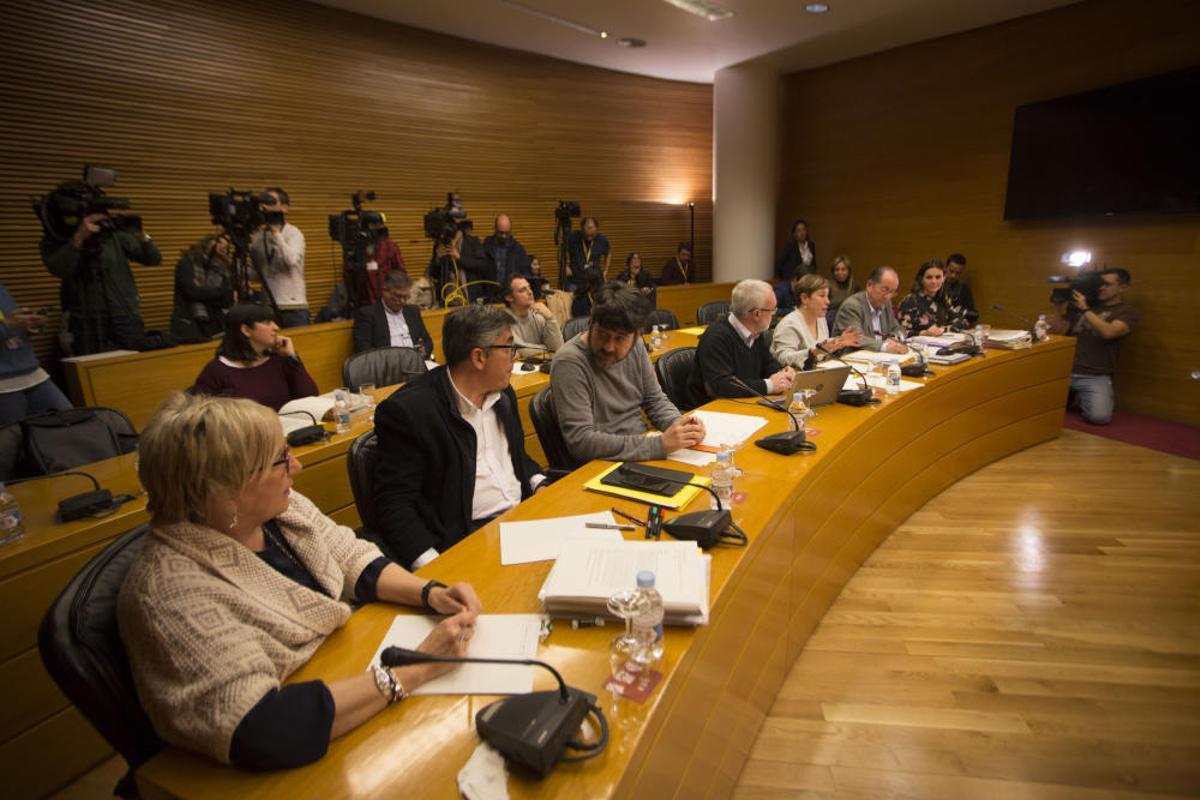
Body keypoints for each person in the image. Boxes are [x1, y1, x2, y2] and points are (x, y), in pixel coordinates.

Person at [117, 392, 481, 769]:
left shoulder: (280, 511)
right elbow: (260, 727)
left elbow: (352, 559)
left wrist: (430, 593)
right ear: (222, 489)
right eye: (280, 460)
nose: (297, 465)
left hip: (343, 679)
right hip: (292, 749)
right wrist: (419, 668)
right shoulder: (169, 591)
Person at [373, 305, 546, 569]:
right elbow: (394, 505)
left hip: (523, 519)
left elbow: (516, 456)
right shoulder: (409, 413)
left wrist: (540, 484)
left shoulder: (502, 394)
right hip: (467, 541)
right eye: (509, 347)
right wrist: (436, 568)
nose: (516, 355)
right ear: (479, 357)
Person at [550, 282, 705, 463]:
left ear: (637, 335)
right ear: (591, 323)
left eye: (620, 338)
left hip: (639, 452)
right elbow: (581, 441)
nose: (609, 346)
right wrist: (659, 445)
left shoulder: (636, 347)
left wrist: (681, 427)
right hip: (602, 464)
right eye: (602, 333)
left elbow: (655, 401)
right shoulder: (569, 362)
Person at [39, 195, 161, 355]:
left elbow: (153, 259)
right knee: (93, 363)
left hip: (124, 312)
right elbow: (59, 269)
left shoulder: (113, 235)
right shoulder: (57, 238)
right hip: (85, 318)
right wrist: (78, 238)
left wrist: (143, 236)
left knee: (134, 363)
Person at [1048, 268, 1138, 425]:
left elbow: (1109, 332)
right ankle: (1069, 397)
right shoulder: (1082, 306)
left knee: (1099, 417)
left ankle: (1075, 397)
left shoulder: (1126, 311)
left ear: (1122, 288)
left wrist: (1085, 309)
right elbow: (1058, 331)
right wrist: (1057, 307)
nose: (1101, 288)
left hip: (1094, 376)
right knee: (1036, 404)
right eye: (1099, 284)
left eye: (1107, 284)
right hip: (1065, 371)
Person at [686, 279, 795, 407]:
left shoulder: (757, 332)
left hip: (746, 403)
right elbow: (721, 386)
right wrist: (769, 385)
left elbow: (768, 364)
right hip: (711, 410)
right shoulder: (715, 337)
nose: (773, 316)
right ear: (756, 314)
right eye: (772, 311)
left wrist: (782, 374)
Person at [193, 303, 318, 411]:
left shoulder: (279, 359)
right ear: (246, 330)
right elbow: (201, 416)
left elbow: (310, 397)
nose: (276, 328)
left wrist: (292, 357)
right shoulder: (216, 370)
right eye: (267, 323)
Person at [0, 284, 72, 425]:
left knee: (70, 425)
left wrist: (29, 324)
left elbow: (12, 326)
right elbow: (7, 325)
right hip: (4, 384)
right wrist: (7, 325)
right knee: (14, 437)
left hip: (31, 372)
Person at [772, 274, 865, 370]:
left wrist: (838, 342)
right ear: (804, 298)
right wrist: (813, 353)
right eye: (822, 296)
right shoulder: (789, 324)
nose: (828, 301)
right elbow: (782, 359)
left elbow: (822, 353)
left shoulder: (820, 319)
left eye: (827, 296)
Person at [249, 188, 308, 328]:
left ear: (284, 208)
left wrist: (276, 234)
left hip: (293, 307)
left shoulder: (293, 233)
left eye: (271, 202)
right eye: (263, 202)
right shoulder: (258, 236)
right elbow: (259, 274)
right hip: (267, 306)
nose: (264, 206)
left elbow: (291, 260)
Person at [351, 271, 434, 356]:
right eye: (398, 296)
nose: (402, 301)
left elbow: (428, 342)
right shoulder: (368, 314)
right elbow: (363, 349)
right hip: (387, 363)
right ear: (385, 291)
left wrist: (424, 350)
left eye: (406, 297)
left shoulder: (413, 312)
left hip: (414, 361)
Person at [171, 233, 234, 341]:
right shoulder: (187, 263)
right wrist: (218, 292)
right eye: (219, 242)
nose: (222, 246)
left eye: (226, 246)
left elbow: (226, 299)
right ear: (206, 243)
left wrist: (203, 290)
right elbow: (192, 291)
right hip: (190, 322)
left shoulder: (222, 271)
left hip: (215, 323)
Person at [833, 266, 909, 354]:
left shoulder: (886, 303)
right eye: (885, 289)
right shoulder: (852, 306)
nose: (888, 297)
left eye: (892, 292)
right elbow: (856, 339)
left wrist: (893, 338)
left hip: (880, 358)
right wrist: (885, 347)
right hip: (851, 358)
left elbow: (898, 328)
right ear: (870, 285)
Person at [897, 259, 970, 337]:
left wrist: (943, 329)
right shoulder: (909, 301)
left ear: (944, 278)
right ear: (921, 279)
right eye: (929, 277)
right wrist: (924, 333)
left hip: (941, 342)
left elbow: (963, 322)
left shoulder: (943, 299)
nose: (934, 282)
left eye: (938, 277)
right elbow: (900, 333)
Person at [342, 228, 406, 312]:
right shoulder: (354, 248)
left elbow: (401, 274)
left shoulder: (389, 246)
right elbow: (348, 275)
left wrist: (395, 297)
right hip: (362, 302)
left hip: (386, 302)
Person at [504, 274, 563, 358]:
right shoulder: (502, 321)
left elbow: (558, 347)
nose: (530, 292)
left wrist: (550, 318)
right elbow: (521, 350)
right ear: (509, 297)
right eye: (522, 290)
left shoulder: (538, 315)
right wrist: (547, 348)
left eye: (529, 288)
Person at [480, 214, 531, 302]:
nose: (504, 236)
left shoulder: (518, 249)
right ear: (495, 229)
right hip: (489, 295)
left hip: (511, 296)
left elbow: (525, 273)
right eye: (501, 233)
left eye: (507, 233)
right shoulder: (485, 246)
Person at [564, 216, 610, 292]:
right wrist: (566, 266)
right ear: (582, 229)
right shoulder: (574, 237)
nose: (589, 236)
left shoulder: (602, 240)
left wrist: (605, 271)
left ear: (597, 229)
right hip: (575, 280)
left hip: (594, 281)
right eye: (587, 233)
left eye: (592, 234)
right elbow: (563, 251)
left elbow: (608, 253)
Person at [774, 218, 816, 283]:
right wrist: (787, 279)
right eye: (799, 230)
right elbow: (779, 264)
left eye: (804, 229)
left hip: (807, 280)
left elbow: (813, 264)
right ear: (794, 233)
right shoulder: (790, 246)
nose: (802, 232)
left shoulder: (811, 245)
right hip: (793, 281)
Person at [943, 253, 978, 324]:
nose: (953, 276)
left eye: (958, 273)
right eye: (951, 271)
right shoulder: (934, 286)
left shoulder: (964, 289)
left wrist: (961, 311)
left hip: (955, 326)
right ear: (945, 268)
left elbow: (974, 315)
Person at [827, 255, 860, 321]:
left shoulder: (855, 285)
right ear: (833, 272)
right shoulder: (828, 285)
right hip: (832, 318)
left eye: (843, 269)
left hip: (851, 317)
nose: (840, 272)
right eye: (837, 270)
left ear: (849, 271)